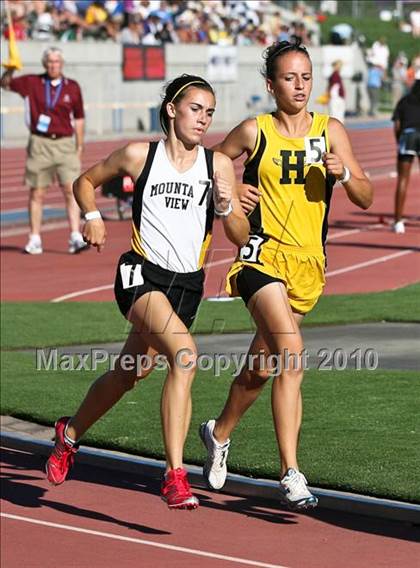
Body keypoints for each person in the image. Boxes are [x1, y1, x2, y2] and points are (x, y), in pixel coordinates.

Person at [45, 74, 249, 510]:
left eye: (210, 112)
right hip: (141, 275)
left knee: (129, 374)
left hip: (186, 286)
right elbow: (84, 181)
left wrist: (227, 205)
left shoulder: (217, 166)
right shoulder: (140, 155)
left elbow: (239, 235)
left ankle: (70, 434)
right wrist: (92, 215)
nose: (204, 119)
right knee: (186, 355)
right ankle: (175, 475)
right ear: (173, 109)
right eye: (196, 108)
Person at [200, 40, 373, 511]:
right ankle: (290, 472)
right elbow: (211, 160)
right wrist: (232, 185)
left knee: (259, 370)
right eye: (290, 78)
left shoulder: (330, 130)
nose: (299, 86)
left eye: (306, 77)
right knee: (292, 354)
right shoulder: (255, 131)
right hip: (260, 257)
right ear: (271, 85)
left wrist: (345, 176)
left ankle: (217, 433)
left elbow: (366, 196)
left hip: (308, 264)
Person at [1, 47, 86, 255]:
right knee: (37, 192)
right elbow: (5, 84)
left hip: (65, 142)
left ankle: (75, 235)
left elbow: (80, 117)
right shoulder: (32, 83)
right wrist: (10, 69)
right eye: (49, 61)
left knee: (71, 190)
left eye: (56, 61)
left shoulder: (72, 87)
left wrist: (80, 145)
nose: (53, 65)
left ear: (62, 64)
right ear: (44, 63)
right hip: (40, 144)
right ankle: (35, 238)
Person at [391, 78, 420, 234]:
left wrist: (398, 142)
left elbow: (397, 125)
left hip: (407, 136)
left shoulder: (404, 101)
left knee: (403, 180)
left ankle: (398, 222)